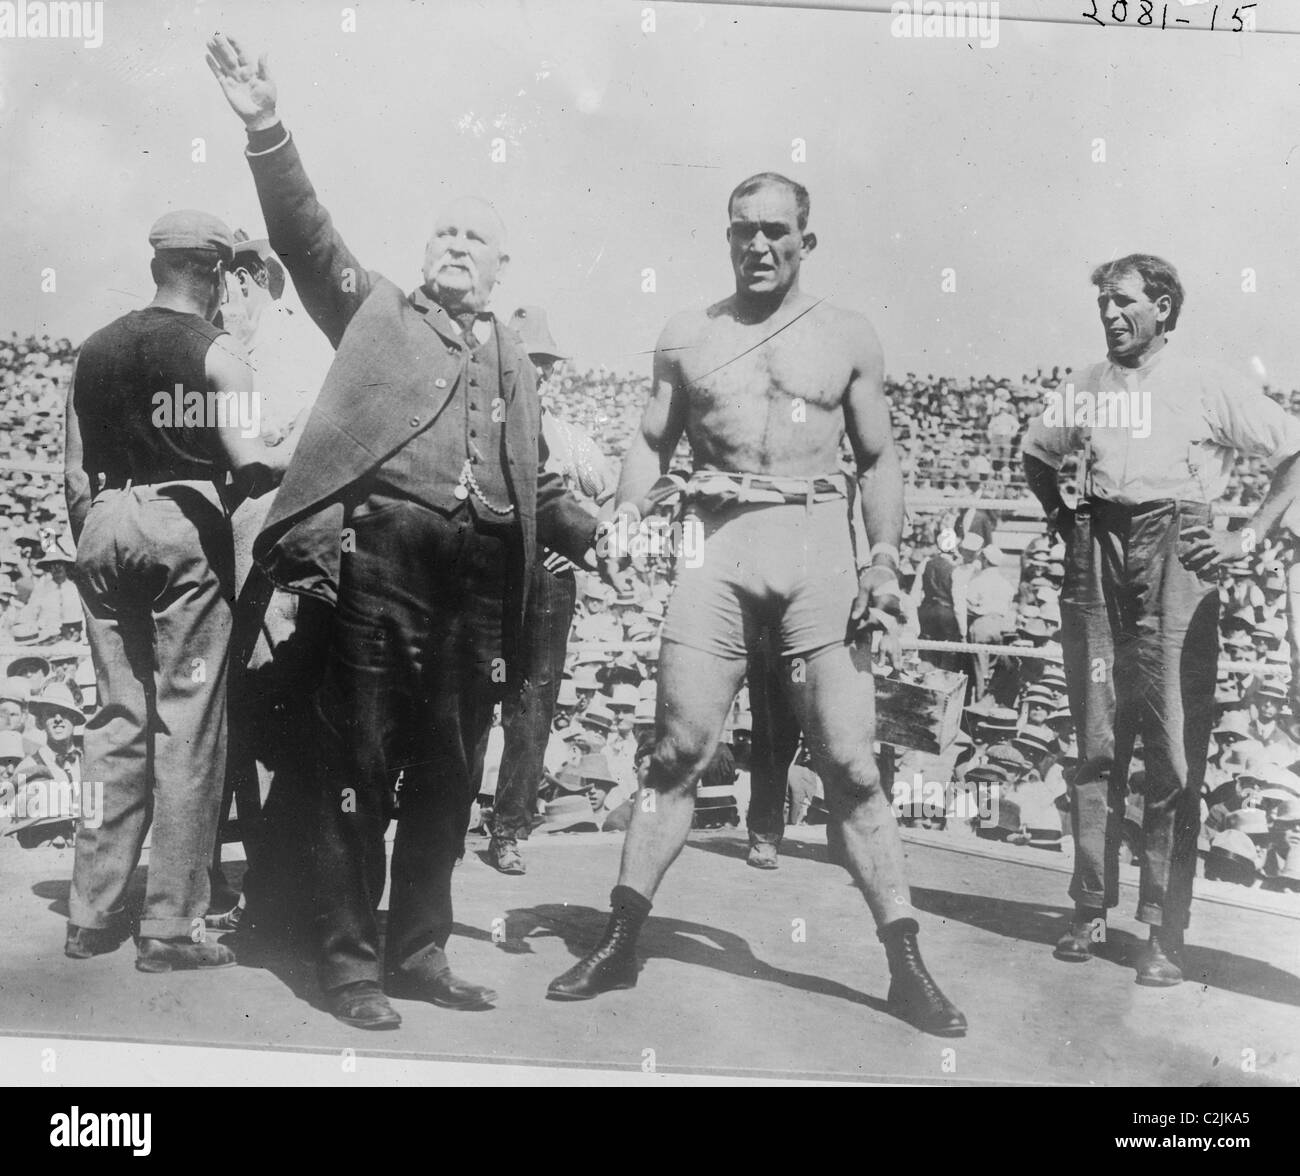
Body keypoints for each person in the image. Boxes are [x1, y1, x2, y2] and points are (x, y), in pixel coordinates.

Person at [207, 34, 599, 1029]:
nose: (458, 245)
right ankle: (346, 964)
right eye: (445, 233)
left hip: (478, 583)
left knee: (450, 772)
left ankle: (419, 949)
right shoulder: (379, 312)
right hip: (383, 564)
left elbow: (534, 481)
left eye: (477, 237)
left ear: (503, 264)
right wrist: (265, 127)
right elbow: (307, 235)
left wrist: (626, 537)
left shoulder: (511, 352)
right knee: (357, 772)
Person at [547, 171, 965, 1035]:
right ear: (727, 236)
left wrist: (885, 559)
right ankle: (622, 938)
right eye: (744, 230)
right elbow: (651, 442)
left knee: (851, 765)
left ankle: (905, 963)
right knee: (674, 755)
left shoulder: (847, 334)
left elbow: (879, 459)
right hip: (715, 543)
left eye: (777, 231)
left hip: (816, 543)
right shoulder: (687, 336)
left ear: (806, 241)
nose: (760, 245)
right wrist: (627, 511)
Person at [1023, 252, 1300, 985]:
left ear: (1165, 309)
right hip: (1095, 545)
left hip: (1177, 546)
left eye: (1123, 302)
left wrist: (1245, 536)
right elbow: (1034, 455)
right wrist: (1060, 516)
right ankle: (1088, 906)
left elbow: (1294, 451)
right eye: (1103, 305)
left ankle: (1163, 931)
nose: (1111, 315)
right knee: (1094, 738)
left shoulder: (1207, 380)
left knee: (1173, 747)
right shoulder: (1084, 384)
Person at [64, 208, 290, 973]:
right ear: (219, 273)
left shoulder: (94, 349)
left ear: (159, 264)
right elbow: (251, 465)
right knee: (188, 726)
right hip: (182, 523)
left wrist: (101, 527)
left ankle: (90, 913)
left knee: (116, 718)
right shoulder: (219, 352)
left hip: (103, 522)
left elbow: (72, 467)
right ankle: (168, 926)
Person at [484, 306, 615, 875]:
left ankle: (509, 831)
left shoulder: (569, 438)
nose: (539, 373)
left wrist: (578, 540)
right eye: (529, 361)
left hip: (547, 579)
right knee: (467, 699)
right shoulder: (486, 423)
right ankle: (444, 827)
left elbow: (614, 498)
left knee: (533, 705)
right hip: (488, 573)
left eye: (545, 363)